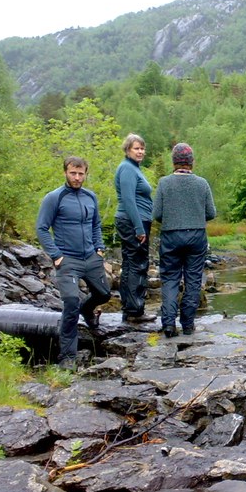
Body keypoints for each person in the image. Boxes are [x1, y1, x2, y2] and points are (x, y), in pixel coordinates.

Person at [36, 156, 111, 368]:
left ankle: (88, 311)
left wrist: (100, 249)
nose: (77, 178)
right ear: (65, 173)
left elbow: (96, 224)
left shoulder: (90, 197)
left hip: (91, 257)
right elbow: (42, 228)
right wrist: (56, 255)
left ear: (86, 173)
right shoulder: (54, 198)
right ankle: (67, 357)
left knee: (104, 294)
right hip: (67, 259)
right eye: (73, 173)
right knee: (70, 302)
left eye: (81, 174)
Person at [153, 142, 217, 337]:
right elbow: (211, 213)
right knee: (193, 279)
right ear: (192, 162)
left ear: (173, 162)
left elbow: (156, 214)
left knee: (170, 279)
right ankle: (188, 325)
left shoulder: (164, 183)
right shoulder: (202, 183)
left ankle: (169, 325)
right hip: (196, 235)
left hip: (171, 236)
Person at [114, 133, 156, 323]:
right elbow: (129, 200)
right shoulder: (127, 169)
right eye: (136, 148)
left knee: (130, 264)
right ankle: (135, 311)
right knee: (137, 265)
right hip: (133, 221)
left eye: (142, 148)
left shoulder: (133, 168)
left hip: (134, 220)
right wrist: (139, 228)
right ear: (127, 150)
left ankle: (130, 308)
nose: (140, 152)